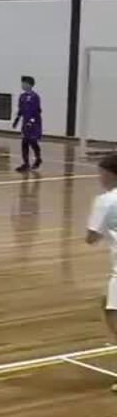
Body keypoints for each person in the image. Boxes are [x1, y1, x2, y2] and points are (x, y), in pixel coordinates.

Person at [87, 154, 117, 391]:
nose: (99, 177)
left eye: (101, 173)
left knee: (112, 313)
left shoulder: (105, 201)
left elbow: (91, 238)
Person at [13, 75, 43, 172]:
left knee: (33, 141)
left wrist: (31, 122)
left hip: (34, 123)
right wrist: (16, 120)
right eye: (22, 83)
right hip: (25, 122)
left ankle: (38, 158)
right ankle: (26, 163)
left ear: (30, 85)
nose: (23, 85)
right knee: (24, 142)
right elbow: (20, 110)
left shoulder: (35, 97)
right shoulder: (22, 97)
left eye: (25, 83)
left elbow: (37, 111)